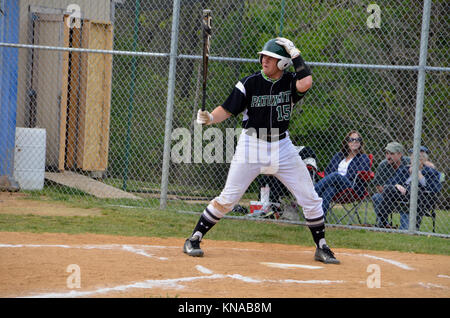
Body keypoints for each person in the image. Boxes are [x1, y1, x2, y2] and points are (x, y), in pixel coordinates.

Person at [183, 37, 340, 264]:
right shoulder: (249, 83)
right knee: (229, 198)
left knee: (310, 197)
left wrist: (295, 52)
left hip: (282, 146)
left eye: (271, 57)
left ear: (283, 63)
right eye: (263, 56)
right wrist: (209, 119)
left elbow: (306, 83)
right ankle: (194, 238)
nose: (264, 60)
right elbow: (226, 110)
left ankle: (322, 246)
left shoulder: (290, 82)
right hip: (252, 145)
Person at [376, 146, 442, 230]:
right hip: (404, 195)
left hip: (422, 198)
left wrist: (418, 174)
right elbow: (390, 182)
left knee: (417, 191)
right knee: (389, 189)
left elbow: (435, 189)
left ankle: (415, 228)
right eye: (412, 158)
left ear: (424, 161)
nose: (414, 161)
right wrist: (397, 185)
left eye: (418, 159)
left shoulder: (431, 172)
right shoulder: (405, 169)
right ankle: (383, 222)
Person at [313, 130, 370, 218]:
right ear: (347, 142)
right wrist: (335, 180)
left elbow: (359, 174)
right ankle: (320, 219)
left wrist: (340, 178)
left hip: (351, 186)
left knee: (336, 175)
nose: (354, 141)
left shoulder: (363, 157)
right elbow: (328, 171)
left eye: (357, 139)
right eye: (351, 139)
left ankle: (312, 192)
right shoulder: (339, 156)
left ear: (361, 143)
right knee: (330, 190)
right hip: (336, 186)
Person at [372, 142, 410, 227]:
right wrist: (392, 188)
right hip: (387, 196)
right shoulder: (383, 165)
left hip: (405, 195)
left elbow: (422, 163)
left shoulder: (408, 162)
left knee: (408, 201)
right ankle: (383, 224)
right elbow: (378, 186)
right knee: (376, 197)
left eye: (392, 154)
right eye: (387, 153)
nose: (388, 157)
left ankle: (405, 229)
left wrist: (429, 164)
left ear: (400, 154)